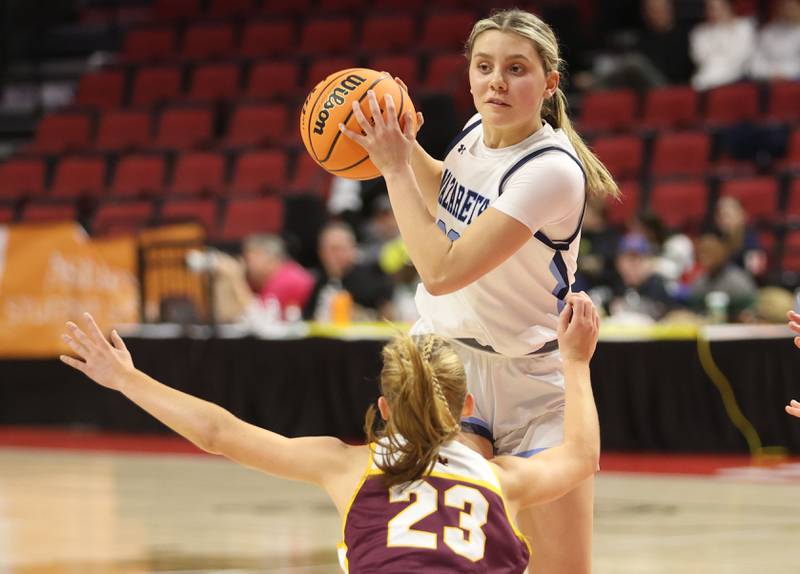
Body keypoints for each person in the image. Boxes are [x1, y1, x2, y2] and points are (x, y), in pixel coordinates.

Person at [339, 9, 618, 573]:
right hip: (450, 366)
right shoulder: (474, 133)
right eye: (485, 66)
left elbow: (442, 271)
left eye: (516, 69)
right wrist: (401, 145)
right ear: (467, 74)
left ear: (549, 83)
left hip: (533, 379)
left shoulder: (551, 169)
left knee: (564, 568)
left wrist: (393, 169)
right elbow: (449, 187)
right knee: (442, 552)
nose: (497, 81)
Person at [59, 293, 601, 573]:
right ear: (468, 406)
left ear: (385, 407)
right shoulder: (499, 476)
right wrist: (576, 362)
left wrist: (125, 379)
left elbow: (217, 432)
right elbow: (579, 456)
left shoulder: (345, 466)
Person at [303, 221, 395, 322]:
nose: (330, 255)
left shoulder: (373, 277)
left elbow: (388, 315)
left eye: (337, 249)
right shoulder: (320, 281)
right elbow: (308, 316)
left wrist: (363, 314)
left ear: (352, 249)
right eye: (325, 249)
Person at [211, 234, 314, 322]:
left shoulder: (288, 279)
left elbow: (259, 319)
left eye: (250, 257)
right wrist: (223, 281)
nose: (246, 263)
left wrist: (236, 278)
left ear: (270, 258)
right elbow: (228, 315)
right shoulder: (262, 281)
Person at [689, 0, 756, 90]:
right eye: (709, 8)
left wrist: (727, 28)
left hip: (738, 79)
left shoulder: (745, 27)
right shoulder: (699, 33)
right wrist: (718, 29)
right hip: (708, 81)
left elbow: (741, 57)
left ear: (728, 7)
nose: (712, 12)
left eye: (717, 7)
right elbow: (701, 59)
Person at [750, 0, 800, 81]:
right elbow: (757, 58)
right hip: (768, 79)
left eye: (792, 7)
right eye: (785, 7)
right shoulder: (769, 30)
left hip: (794, 80)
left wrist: (784, 73)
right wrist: (770, 73)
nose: (788, 11)